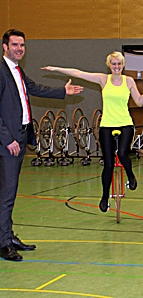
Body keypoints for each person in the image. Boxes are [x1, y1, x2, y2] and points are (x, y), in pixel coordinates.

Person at [0, 29, 83, 261]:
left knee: (10, 192)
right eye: (15, 44)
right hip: (8, 143)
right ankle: (4, 243)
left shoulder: (17, 71)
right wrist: (8, 139)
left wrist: (62, 92)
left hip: (20, 137)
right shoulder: (1, 71)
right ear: (5, 47)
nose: (19, 48)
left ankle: (7, 234)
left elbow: (34, 89)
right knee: (6, 194)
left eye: (22, 45)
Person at [42, 51, 143, 213]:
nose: (117, 67)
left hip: (125, 124)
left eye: (119, 64)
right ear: (109, 65)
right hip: (107, 124)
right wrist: (56, 69)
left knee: (122, 154)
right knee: (108, 163)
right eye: (114, 64)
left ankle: (131, 176)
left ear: (123, 65)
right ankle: (104, 196)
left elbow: (139, 101)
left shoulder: (128, 81)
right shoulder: (103, 79)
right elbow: (78, 73)